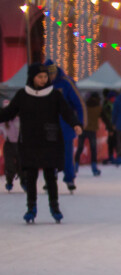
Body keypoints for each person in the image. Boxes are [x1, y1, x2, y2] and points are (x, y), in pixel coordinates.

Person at [0, 62, 82, 223]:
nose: (44, 80)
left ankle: (54, 206)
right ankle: (31, 207)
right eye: (40, 77)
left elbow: (66, 111)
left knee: (50, 176)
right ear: (32, 77)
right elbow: (9, 113)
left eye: (45, 76)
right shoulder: (23, 95)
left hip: (50, 140)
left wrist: (76, 124)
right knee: (30, 176)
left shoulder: (55, 95)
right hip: (30, 141)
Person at [43, 60, 85, 192]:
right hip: (49, 126)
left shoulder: (66, 83)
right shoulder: (42, 84)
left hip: (66, 125)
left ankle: (69, 178)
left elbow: (79, 104)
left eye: (52, 74)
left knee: (66, 154)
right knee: (49, 154)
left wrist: (80, 123)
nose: (50, 77)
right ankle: (50, 178)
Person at [74, 92, 103, 177]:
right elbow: (105, 117)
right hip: (92, 130)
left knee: (80, 148)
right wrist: (111, 127)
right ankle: (94, 167)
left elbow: (78, 115)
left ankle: (75, 166)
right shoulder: (99, 108)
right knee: (93, 149)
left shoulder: (84, 106)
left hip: (83, 129)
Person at [0, 100, 24, 191]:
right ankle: (9, 181)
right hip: (9, 144)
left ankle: (24, 181)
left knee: (22, 164)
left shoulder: (19, 119)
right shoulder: (3, 122)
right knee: (9, 164)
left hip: (20, 145)